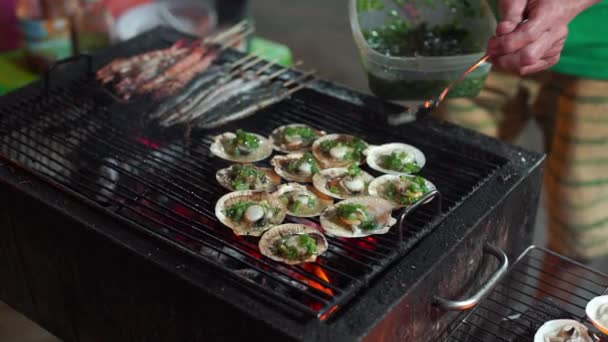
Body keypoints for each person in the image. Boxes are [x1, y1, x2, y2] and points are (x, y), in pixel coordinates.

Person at [436, 0, 608, 261]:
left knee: (579, 230)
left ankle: (547, 304)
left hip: (600, 56)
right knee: (452, 189)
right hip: (479, 27)